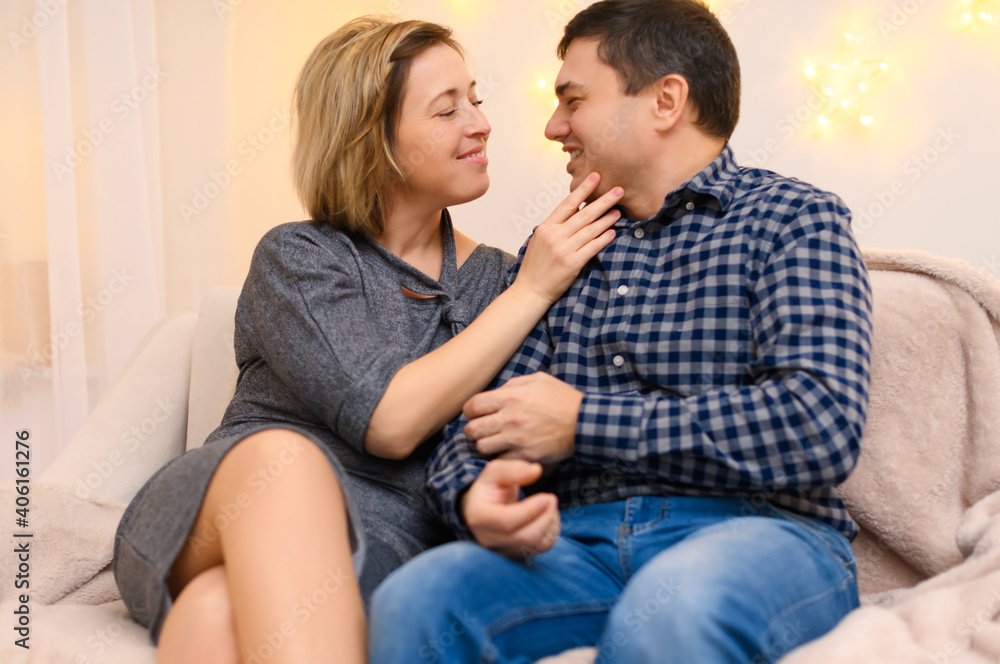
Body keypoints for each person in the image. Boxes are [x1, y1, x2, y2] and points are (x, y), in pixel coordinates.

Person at [368, 1, 874, 662]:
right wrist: (472, 492)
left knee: (677, 604)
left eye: (572, 100)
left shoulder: (793, 220)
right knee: (419, 598)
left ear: (665, 101)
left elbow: (818, 424)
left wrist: (583, 423)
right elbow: (484, 420)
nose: (553, 127)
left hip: (762, 535)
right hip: (578, 546)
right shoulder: (560, 251)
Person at [112, 16, 624, 664]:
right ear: (373, 138)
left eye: (476, 99)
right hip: (221, 511)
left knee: (216, 613)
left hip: (386, 545)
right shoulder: (299, 257)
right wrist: (531, 292)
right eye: (447, 110)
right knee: (287, 464)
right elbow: (388, 420)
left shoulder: (501, 276)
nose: (480, 122)